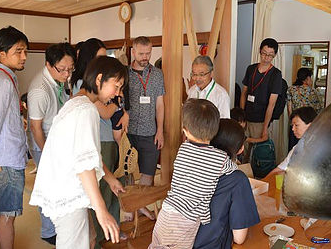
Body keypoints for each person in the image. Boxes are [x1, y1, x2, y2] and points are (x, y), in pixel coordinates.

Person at [29, 56, 128, 249]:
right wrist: (101, 211)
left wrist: (109, 179)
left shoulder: (76, 103)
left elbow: (90, 155)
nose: (117, 93)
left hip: (60, 189)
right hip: (67, 194)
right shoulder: (86, 110)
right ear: (99, 79)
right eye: (116, 86)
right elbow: (84, 165)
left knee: (88, 239)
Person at [149, 99, 237, 248]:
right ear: (215, 131)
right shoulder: (220, 158)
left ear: (185, 130)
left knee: (156, 245)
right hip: (186, 220)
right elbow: (233, 169)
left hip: (167, 211)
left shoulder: (183, 149)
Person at [0, 26, 29, 249]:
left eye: (25, 51)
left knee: (3, 211)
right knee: (7, 215)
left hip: (7, 158)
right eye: (18, 51)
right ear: (2, 53)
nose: (24, 57)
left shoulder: (5, 77)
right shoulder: (1, 81)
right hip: (6, 160)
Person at [26, 42, 75, 245]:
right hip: (43, 144)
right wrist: (47, 156)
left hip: (56, 141)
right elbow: (35, 128)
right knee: (47, 188)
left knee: (57, 187)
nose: (67, 74)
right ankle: (48, 232)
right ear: (48, 65)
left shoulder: (59, 80)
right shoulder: (40, 89)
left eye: (70, 69)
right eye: (62, 69)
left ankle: (55, 226)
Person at [193, 119, 260, 248]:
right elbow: (239, 238)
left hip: (180, 241)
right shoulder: (237, 179)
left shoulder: (193, 167)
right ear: (240, 149)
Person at [127, 36, 165, 220]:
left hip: (150, 131)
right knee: (126, 173)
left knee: (148, 172)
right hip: (127, 132)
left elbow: (160, 104)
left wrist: (160, 130)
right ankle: (129, 207)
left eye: (148, 53)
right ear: (133, 52)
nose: (145, 57)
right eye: (141, 53)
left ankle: (140, 205)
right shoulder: (124, 74)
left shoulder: (157, 74)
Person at [240, 38, 282, 163]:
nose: (266, 57)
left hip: (260, 121)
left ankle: (257, 181)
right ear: (259, 51)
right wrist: (242, 117)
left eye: (270, 55)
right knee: (242, 152)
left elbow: (272, 104)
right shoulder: (251, 69)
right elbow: (244, 93)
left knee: (257, 155)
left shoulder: (276, 74)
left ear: (274, 55)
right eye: (264, 53)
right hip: (246, 119)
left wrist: (265, 127)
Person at [266, 106, 317, 177]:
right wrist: (263, 182)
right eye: (292, 125)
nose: (292, 129)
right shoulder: (297, 148)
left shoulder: (320, 149)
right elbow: (280, 169)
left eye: (296, 125)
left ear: (310, 125)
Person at [287, 67, 322, 150]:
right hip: (308, 126)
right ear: (307, 78)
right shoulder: (314, 91)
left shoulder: (291, 89)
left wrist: (292, 123)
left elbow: (289, 109)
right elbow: (319, 111)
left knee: (293, 149)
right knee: (306, 150)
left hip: (295, 123)